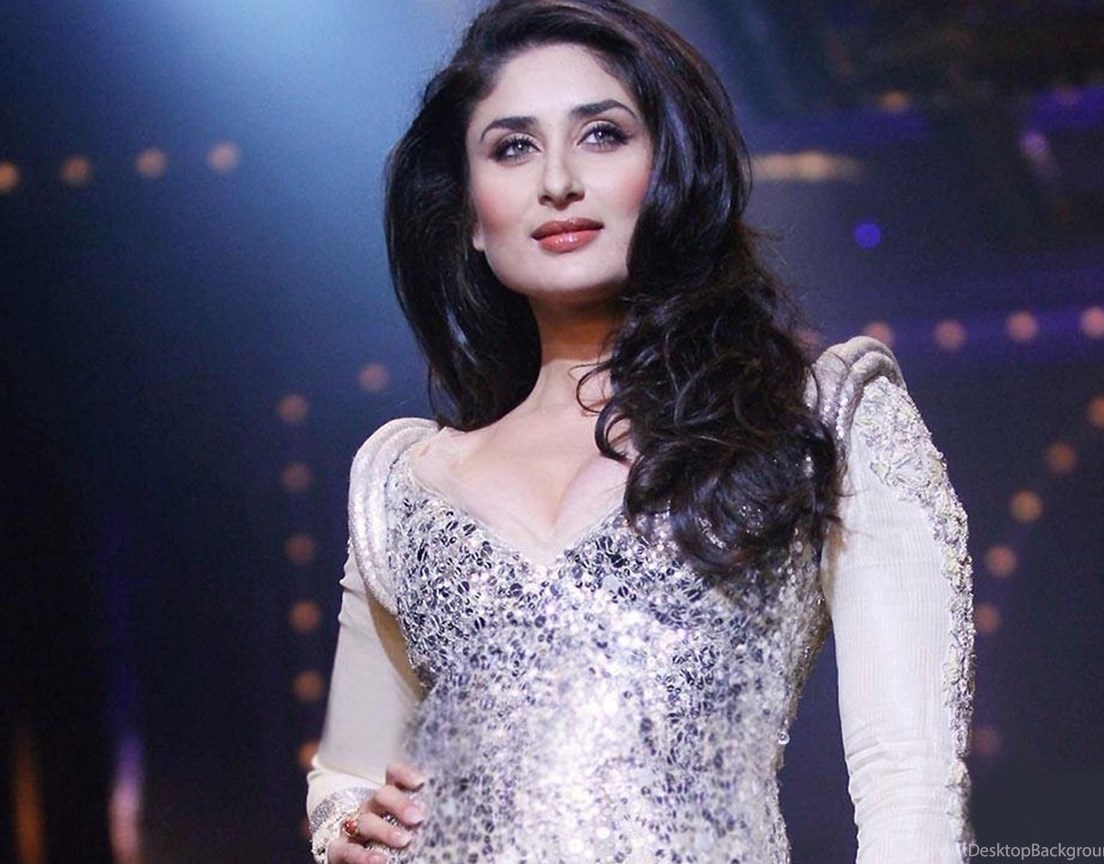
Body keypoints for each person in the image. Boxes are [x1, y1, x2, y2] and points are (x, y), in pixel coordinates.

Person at [307, 0, 975, 861]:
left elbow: (909, 785)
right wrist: (349, 828)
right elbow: (346, 773)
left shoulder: (818, 419)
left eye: (602, 135)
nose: (557, 181)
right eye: (512, 148)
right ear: (469, 212)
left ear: (669, 170)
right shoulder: (403, 485)